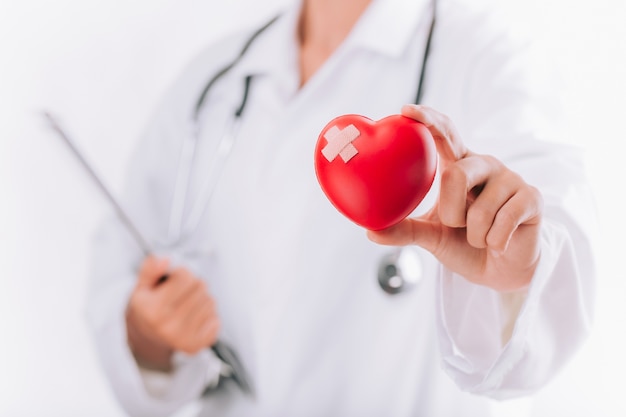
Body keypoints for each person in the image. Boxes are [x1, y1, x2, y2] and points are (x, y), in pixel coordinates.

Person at [86, 0, 597, 416]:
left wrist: (517, 265)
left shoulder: (489, 56)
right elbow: (121, 270)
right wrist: (149, 332)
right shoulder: (214, 81)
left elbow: (556, 238)